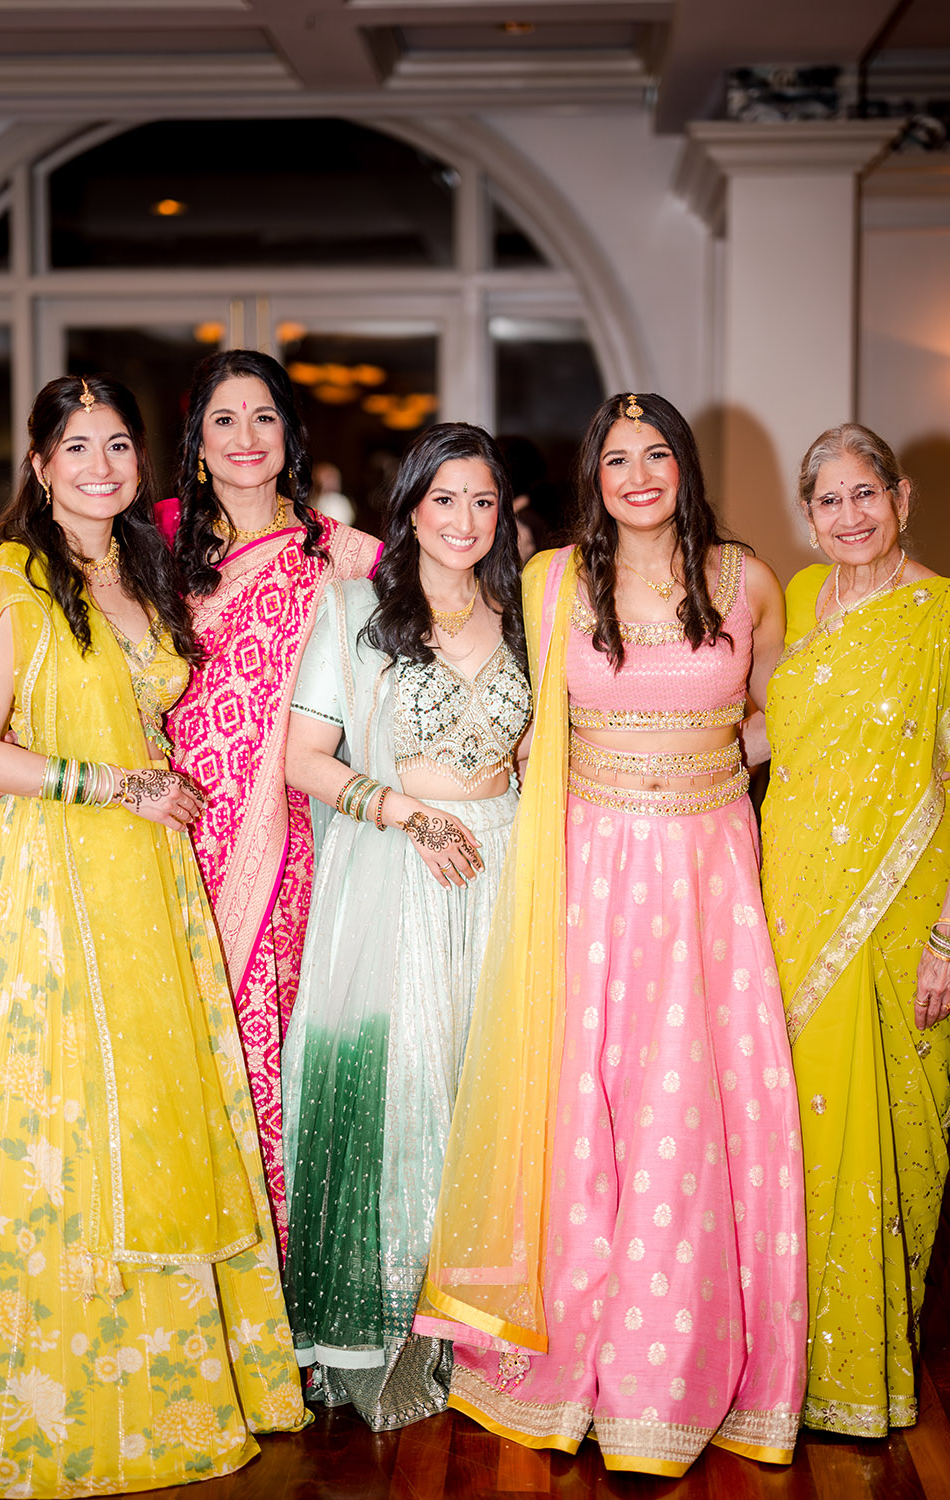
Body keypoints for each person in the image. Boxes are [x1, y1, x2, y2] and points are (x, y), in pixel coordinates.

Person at [417, 393, 808, 1476]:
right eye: (617, 459)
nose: (638, 475)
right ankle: (568, 1357)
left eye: (657, 456)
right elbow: (465, 645)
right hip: (586, 873)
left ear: (684, 466)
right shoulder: (549, 583)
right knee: (581, 1109)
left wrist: (711, 754)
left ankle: (670, 1372)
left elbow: (788, 713)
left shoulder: (745, 579)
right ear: (592, 475)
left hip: (706, 877)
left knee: (687, 1111)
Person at [0, 374, 307, 1497]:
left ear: (141, 467)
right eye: (76, 447)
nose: (100, 465)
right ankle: (58, 1387)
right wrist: (107, 780)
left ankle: (164, 1381)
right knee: (73, 1115)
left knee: (152, 1115)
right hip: (57, 884)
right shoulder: (17, 583)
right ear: (40, 465)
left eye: (117, 446)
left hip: (150, 886)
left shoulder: (137, 572)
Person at [280, 422, 531, 1430]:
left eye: (481, 501)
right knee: (399, 1089)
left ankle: (479, 1331)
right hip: (392, 872)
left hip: (506, 869)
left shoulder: (528, 618)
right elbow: (305, 759)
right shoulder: (353, 612)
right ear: (410, 508)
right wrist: (406, 813)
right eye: (443, 500)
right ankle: (383, 1332)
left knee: (493, 1093)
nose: (463, 521)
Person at [162, 350, 380, 1252]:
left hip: (290, 838)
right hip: (171, 829)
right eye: (224, 419)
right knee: (176, 1042)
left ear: (290, 433)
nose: (245, 438)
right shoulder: (158, 551)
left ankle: (276, 1271)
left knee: (270, 1041)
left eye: (263, 417)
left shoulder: (346, 557)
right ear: (199, 442)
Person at [760, 423, 950, 1437]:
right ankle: (788, 1358)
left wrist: (947, 941)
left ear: (901, 497)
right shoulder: (797, 599)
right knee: (790, 1129)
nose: (848, 516)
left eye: (864, 494)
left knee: (894, 1130)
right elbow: (769, 734)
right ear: (808, 514)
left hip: (901, 918)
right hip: (788, 899)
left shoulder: (942, 616)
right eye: (827, 500)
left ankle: (865, 1366)